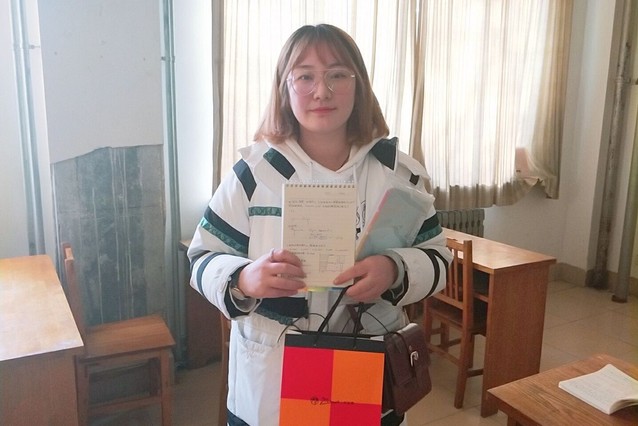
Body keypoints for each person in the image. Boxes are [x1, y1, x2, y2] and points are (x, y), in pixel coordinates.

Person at [188, 24, 452, 426]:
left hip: (367, 365)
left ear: (359, 84)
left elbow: (439, 260)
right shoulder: (253, 174)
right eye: (305, 76)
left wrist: (395, 269)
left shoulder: (399, 175)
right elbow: (202, 258)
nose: (322, 91)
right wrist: (243, 279)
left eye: (337, 74)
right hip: (271, 379)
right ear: (285, 87)